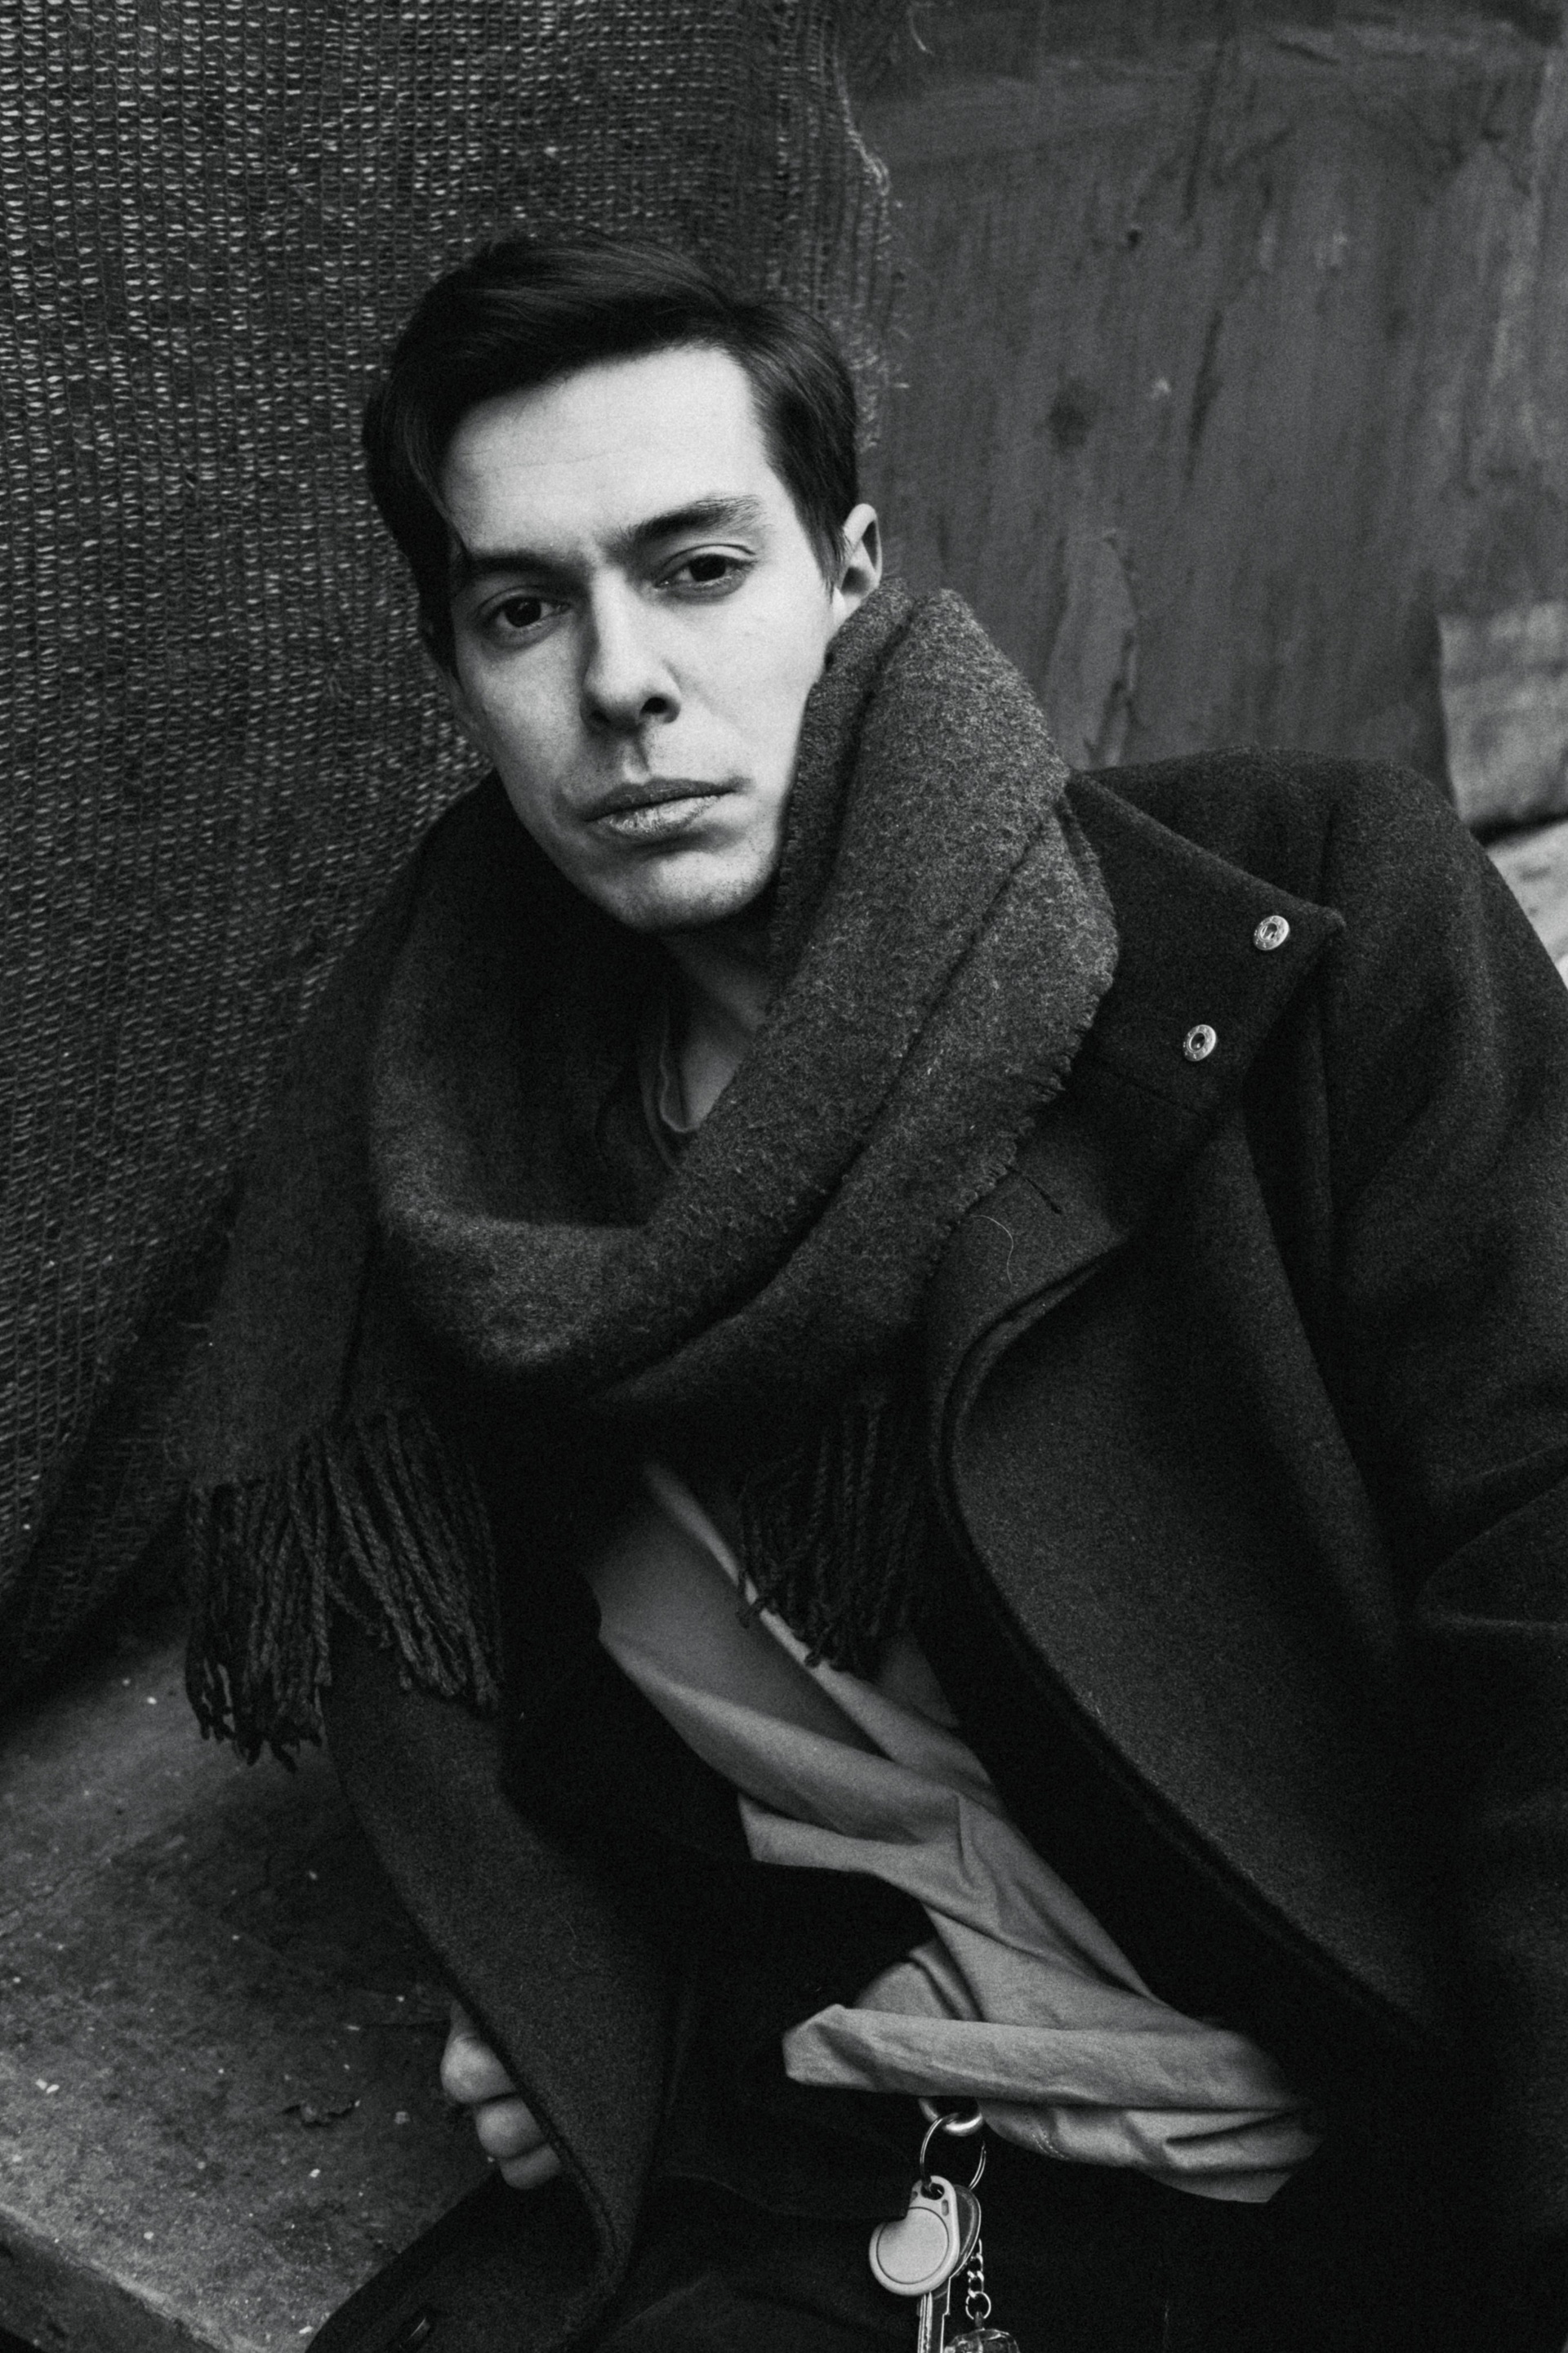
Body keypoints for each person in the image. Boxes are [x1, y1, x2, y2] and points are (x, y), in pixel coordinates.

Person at [181, 235, 1568, 2353]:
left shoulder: (1306, 923)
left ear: (848, 575)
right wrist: (580, 1991)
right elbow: (583, 1739)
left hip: (1364, 2140)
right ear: (457, 670)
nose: (622, 681)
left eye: (697, 568)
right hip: (847, 2154)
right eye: (524, 608)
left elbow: (1545, 1577)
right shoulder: (459, 1173)